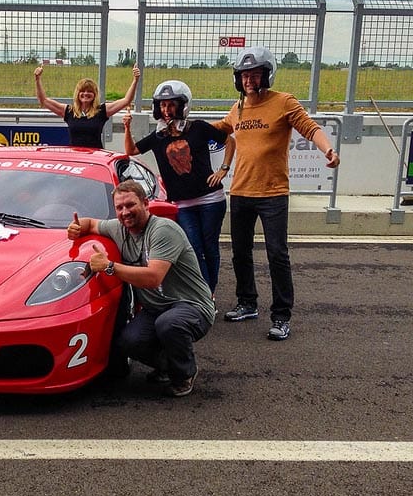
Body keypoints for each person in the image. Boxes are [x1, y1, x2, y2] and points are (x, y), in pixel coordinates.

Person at [214, 46, 340, 341]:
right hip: (242, 191)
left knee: (277, 255)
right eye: (244, 75)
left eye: (254, 74)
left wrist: (329, 149)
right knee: (241, 254)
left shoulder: (283, 102)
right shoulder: (238, 108)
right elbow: (220, 129)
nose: (248, 80)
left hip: (273, 193)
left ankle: (282, 316)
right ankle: (247, 303)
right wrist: (184, 128)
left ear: (267, 75)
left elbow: (311, 129)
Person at [67, 180, 216, 397]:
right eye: (119, 208)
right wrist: (77, 228)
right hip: (156, 309)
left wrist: (109, 267)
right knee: (129, 341)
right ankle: (169, 365)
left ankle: (184, 373)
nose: (125, 212)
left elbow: (153, 278)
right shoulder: (119, 228)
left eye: (130, 205)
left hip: (192, 306)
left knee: (169, 324)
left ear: (146, 204)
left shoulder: (164, 230)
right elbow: (90, 223)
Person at [122, 80, 235, 296]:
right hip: (182, 204)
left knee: (210, 247)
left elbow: (230, 141)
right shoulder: (158, 137)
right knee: (194, 248)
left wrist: (223, 169)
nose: (166, 110)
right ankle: (204, 293)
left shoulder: (198, 128)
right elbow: (131, 149)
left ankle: (209, 293)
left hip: (211, 200)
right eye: (163, 105)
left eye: (171, 105)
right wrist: (127, 127)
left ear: (182, 105)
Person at [34, 64, 141, 148]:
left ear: (95, 95)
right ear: (77, 94)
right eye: (82, 91)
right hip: (76, 158)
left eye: (89, 91)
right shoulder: (69, 111)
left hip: (96, 158)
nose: (85, 94)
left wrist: (135, 80)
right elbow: (43, 101)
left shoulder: (102, 111)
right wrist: (37, 79)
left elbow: (127, 100)